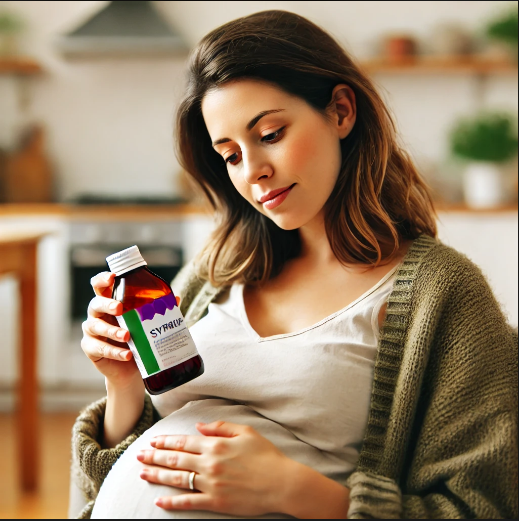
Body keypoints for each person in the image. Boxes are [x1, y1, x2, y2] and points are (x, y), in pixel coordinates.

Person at [71, 10, 518, 520]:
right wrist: (123, 383)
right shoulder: (215, 272)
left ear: (341, 112)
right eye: (231, 155)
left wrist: (294, 491)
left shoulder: (441, 293)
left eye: (270, 134)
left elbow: (485, 506)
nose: (254, 171)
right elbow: (115, 469)